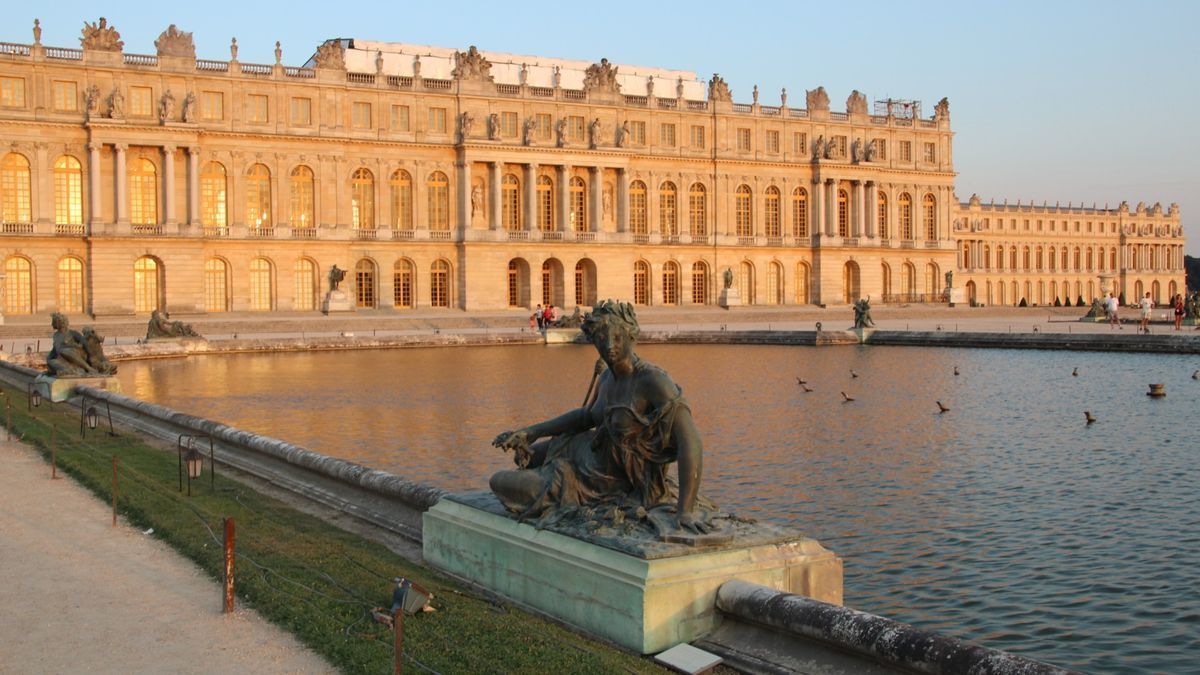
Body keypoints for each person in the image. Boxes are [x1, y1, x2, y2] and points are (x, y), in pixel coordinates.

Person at [491, 300, 710, 535]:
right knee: (523, 458)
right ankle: (545, 475)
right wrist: (531, 432)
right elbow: (586, 417)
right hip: (582, 451)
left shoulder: (652, 381)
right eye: (601, 339)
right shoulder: (607, 377)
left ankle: (557, 490)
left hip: (602, 481)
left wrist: (684, 510)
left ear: (631, 335)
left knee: (500, 482)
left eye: (616, 338)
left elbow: (691, 443)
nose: (609, 346)